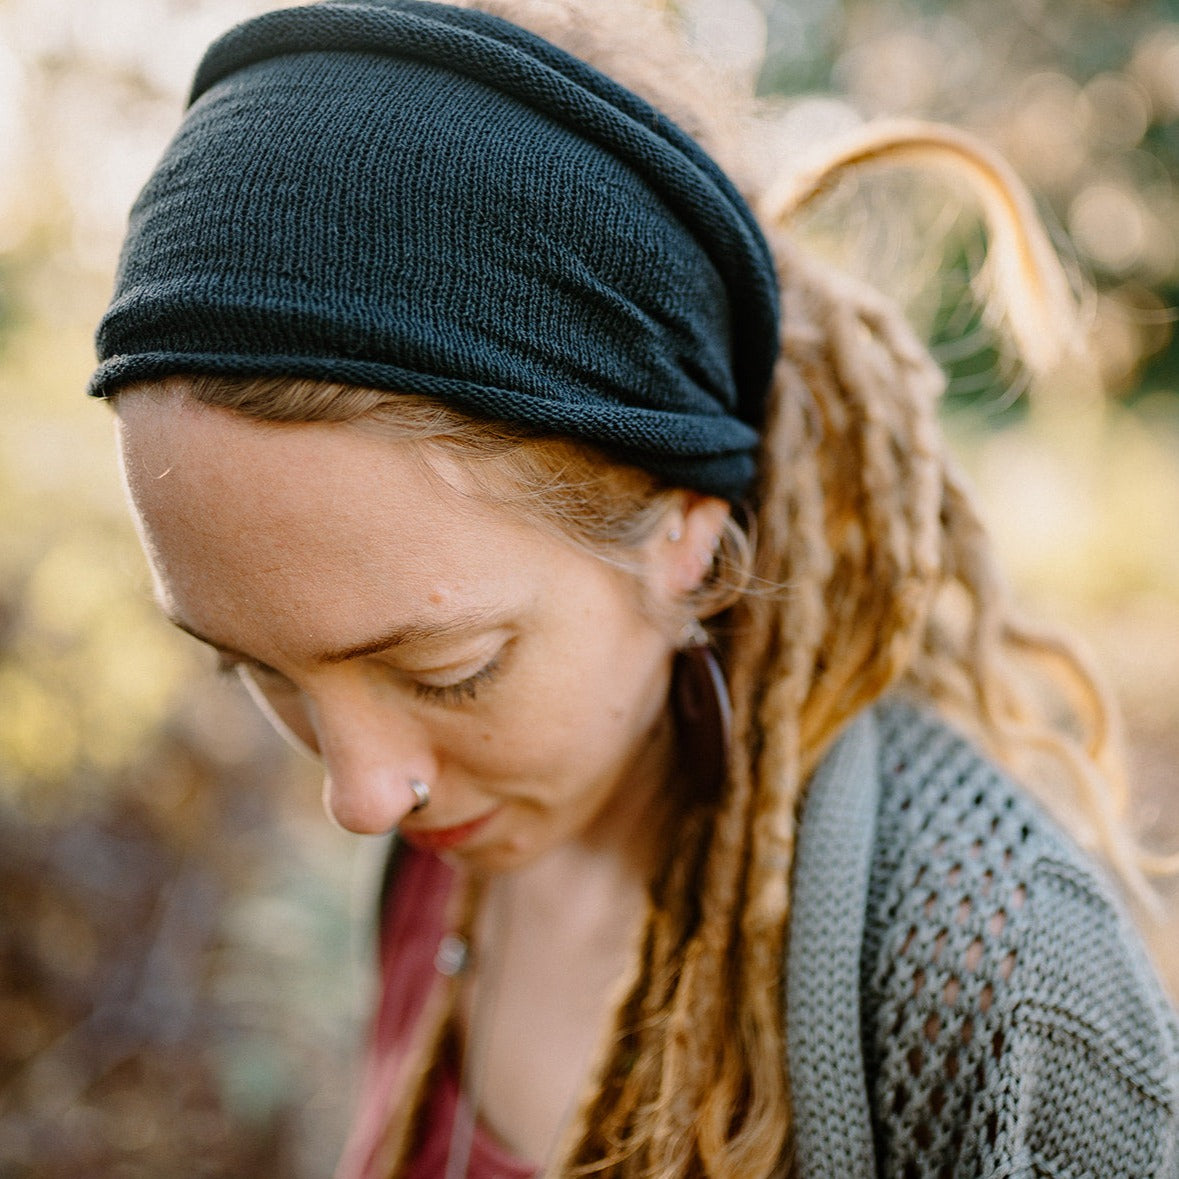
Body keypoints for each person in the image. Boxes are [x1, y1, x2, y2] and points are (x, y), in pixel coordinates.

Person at [91, 0, 1179, 1175]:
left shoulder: (985, 971)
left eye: (446, 671)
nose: (358, 796)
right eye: (254, 667)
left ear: (684, 535)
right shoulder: (446, 854)